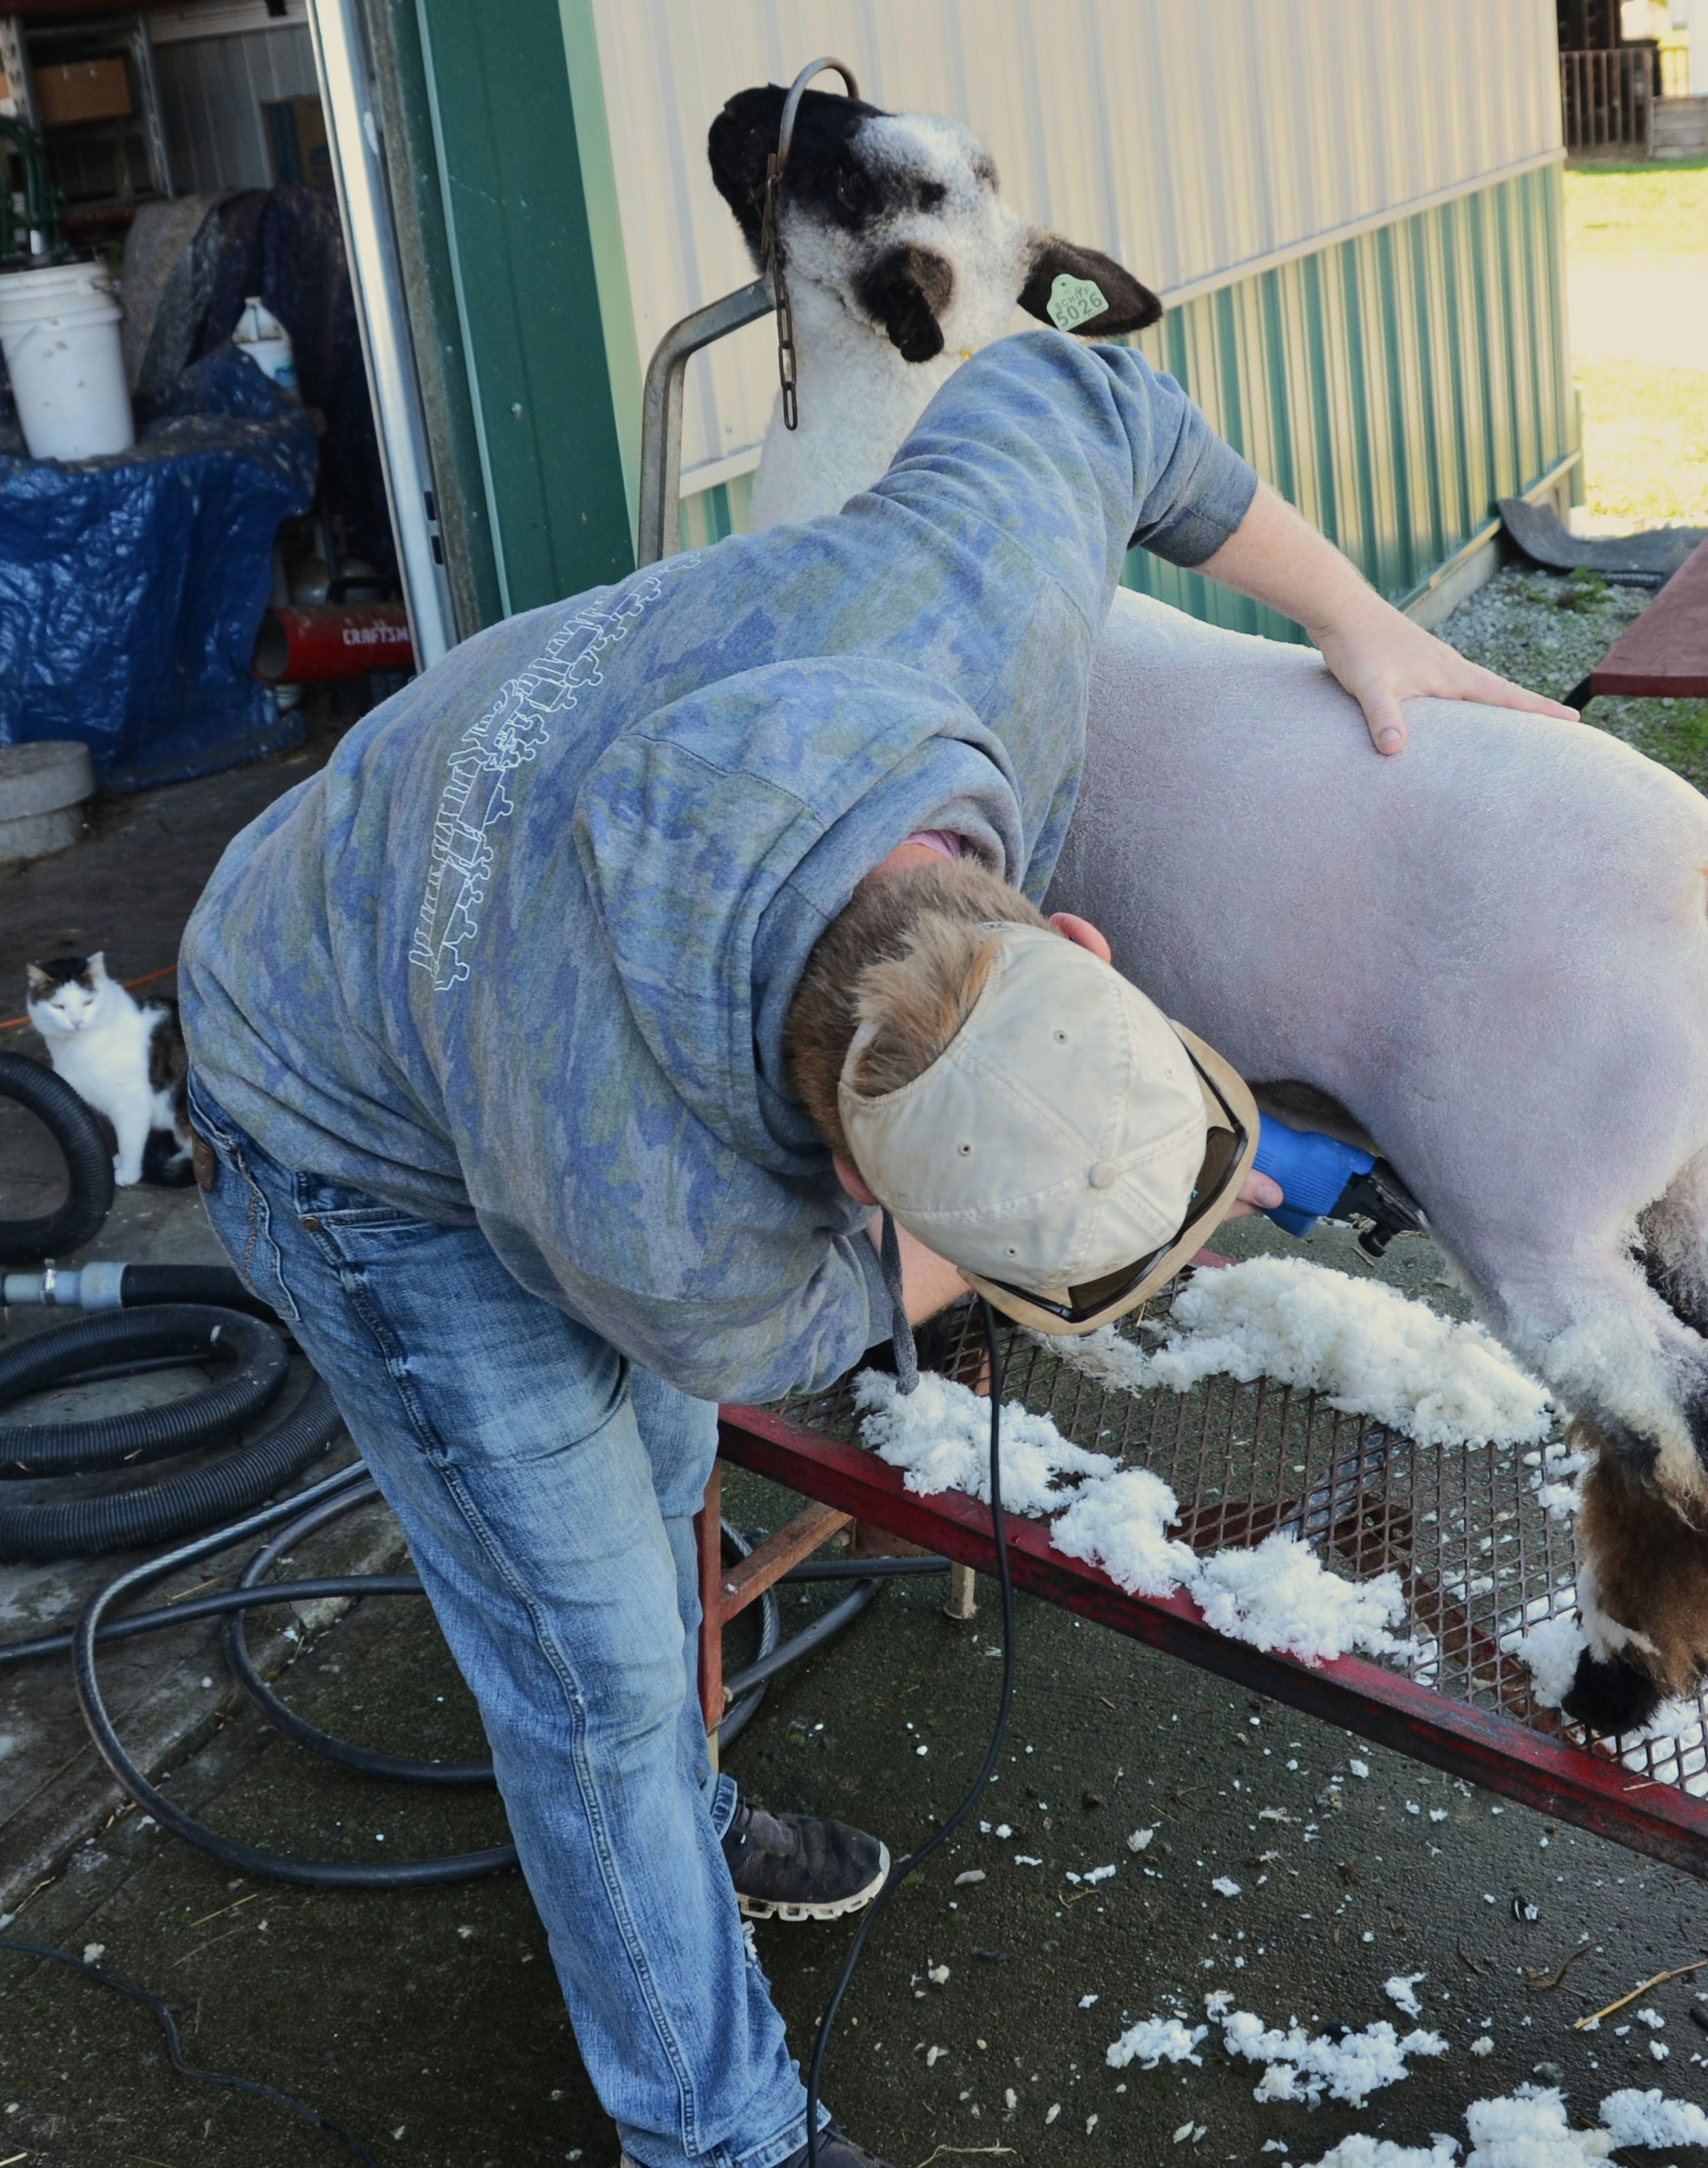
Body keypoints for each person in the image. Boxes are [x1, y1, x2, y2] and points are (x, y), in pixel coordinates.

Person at [178, 329, 1568, 2168]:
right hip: (335, 1093)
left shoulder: (965, 599)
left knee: (660, 1473)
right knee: (583, 1664)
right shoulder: (662, 1221)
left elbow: (1096, 399)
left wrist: (1351, 618)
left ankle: (675, 1826)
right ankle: (715, 2130)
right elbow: (766, 1323)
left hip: (486, 895)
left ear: (1079, 946)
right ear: (847, 1167)